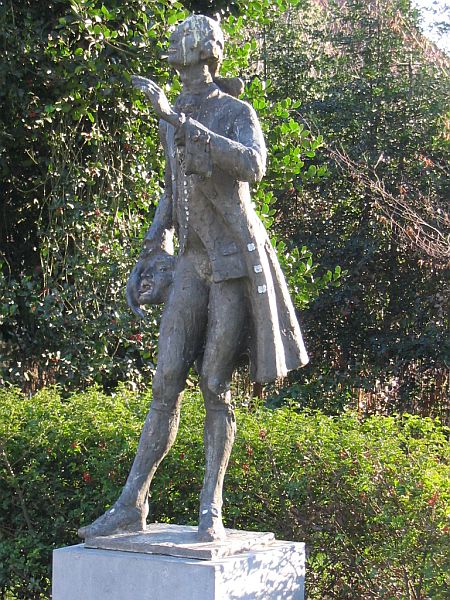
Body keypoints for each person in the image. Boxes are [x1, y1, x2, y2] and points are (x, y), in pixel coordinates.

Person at [78, 14, 308, 543]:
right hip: (190, 264)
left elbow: (253, 166)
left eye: (183, 40)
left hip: (229, 265)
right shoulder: (172, 114)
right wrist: (151, 247)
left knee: (213, 385)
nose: (175, 46)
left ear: (206, 51)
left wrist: (181, 122)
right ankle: (131, 504)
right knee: (164, 383)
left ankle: (212, 507)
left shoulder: (233, 111)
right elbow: (172, 190)